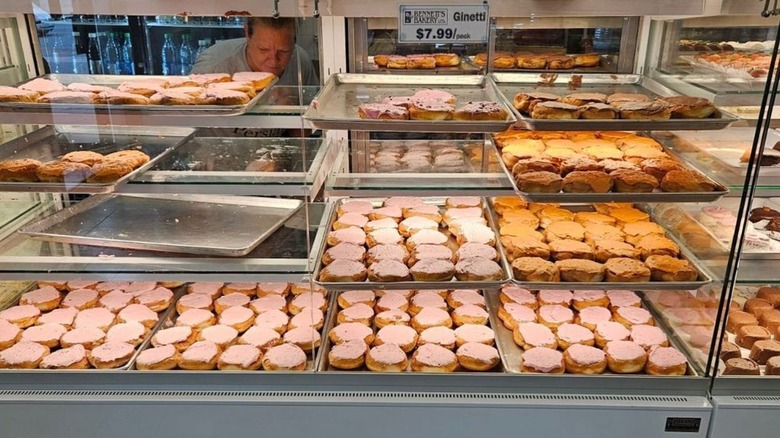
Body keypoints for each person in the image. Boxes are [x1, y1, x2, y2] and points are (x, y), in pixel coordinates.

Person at [192, 17, 319, 87]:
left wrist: (290, 109)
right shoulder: (212, 68)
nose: (273, 61)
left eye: (283, 51)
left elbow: (304, 127)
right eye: (263, 50)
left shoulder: (300, 61)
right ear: (247, 33)